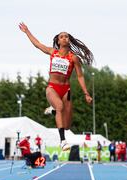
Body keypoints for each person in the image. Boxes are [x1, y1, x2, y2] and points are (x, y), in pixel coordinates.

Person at [19, 22, 94, 151]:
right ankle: (63, 141)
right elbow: (37, 44)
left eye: (66, 36)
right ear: (58, 41)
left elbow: (80, 76)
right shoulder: (52, 52)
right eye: (62, 37)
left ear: (69, 41)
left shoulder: (73, 58)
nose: (64, 38)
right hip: (52, 88)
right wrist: (27, 32)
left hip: (66, 90)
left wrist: (86, 93)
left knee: (67, 125)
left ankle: (53, 110)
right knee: (59, 106)